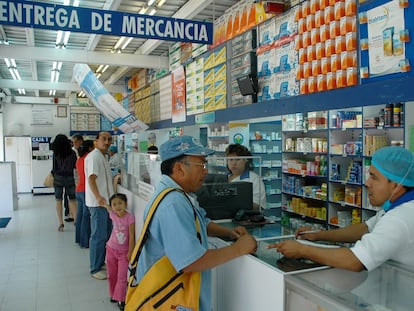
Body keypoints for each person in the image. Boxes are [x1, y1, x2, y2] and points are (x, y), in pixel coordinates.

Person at [134, 136, 257, 311]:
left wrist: (229, 233)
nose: (206, 171)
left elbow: (200, 222)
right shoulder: (173, 203)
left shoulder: (179, 194)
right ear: (179, 169)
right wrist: (239, 248)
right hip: (168, 299)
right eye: (201, 165)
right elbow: (190, 261)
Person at [267, 146, 414, 272]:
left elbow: (355, 261)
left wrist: (302, 250)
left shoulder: (399, 218)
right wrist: (319, 235)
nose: (367, 183)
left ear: (397, 184)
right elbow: (365, 228)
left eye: (374, 177)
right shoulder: (397, 207)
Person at [85, 132, 115, 280]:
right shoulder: (94, 157)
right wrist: (98, 197)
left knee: (105, 234)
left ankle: (100, 262)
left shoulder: (102, 156)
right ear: (96, 141)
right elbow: (91, 179)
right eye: (104, 139)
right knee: (98, 236)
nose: (107, 142)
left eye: (109, 139)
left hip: (105, 203)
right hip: (98, 204)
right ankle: (94, 268)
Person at [103, 193, 135, 311]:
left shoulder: (130, 218)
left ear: (126, 204)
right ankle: (113, 295)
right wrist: (105, 204)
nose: (117, 207)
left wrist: (130, 251)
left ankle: (121, 299)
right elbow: (107, 207)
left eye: (120, 203)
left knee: (121, 277)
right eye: (114, 204)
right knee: (111, 274)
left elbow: (132, 235)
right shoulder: (112, 215)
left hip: (123, 253)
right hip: (111, 249)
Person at [225, 143, 267, 210]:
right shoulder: (224, 178)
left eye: (238, 159)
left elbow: (259, 205)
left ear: (246, 161)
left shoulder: (254, 179)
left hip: (246, 218)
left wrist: (235, 204)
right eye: (231, 159)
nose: (233, 163)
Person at [51, 134, 78, 232]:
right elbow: (75, 166)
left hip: (58, 177)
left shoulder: (56, 153)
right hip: (70, 177)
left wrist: (54, 176)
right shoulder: (72, 153)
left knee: (58, 200)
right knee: (72, 200)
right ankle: (76, 221)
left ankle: (60, 223)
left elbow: (54, 167)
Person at [75, 140, 94, 248]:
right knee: (86, 217)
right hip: (86, 190)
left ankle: (79, 238)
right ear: (90, 148)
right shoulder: (89, 158)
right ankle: (85, 241)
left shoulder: (80, 159)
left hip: (79, 189)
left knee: (80, 216)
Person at [65, 134, 84, 222]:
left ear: (81, 141)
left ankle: (78, 214)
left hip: (81, 176)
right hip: (72, 176)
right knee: (72, 196)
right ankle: (72, 215)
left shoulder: (83, 151)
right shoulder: (71, 151)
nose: (75, 143)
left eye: (76, 141)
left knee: (78, 196)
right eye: (73, 142)